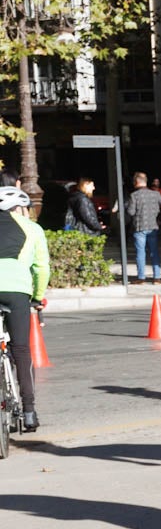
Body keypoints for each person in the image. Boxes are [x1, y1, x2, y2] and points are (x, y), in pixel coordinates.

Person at [0, 179, 49, 431]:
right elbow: (42, 268)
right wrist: (38, 297)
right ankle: (29, 412)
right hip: (17, 292)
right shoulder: (32, 229)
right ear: (18, 208)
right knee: (20, 350)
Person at [127, 172, 161, 283]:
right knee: (154, 251)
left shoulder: (134, 195)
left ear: (136, 182)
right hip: (153, 226)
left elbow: (131, 212)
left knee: (140, 252)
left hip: (139, 227)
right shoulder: (155, 194)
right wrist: (159, 218)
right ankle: (157, 277)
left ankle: (141, 277)